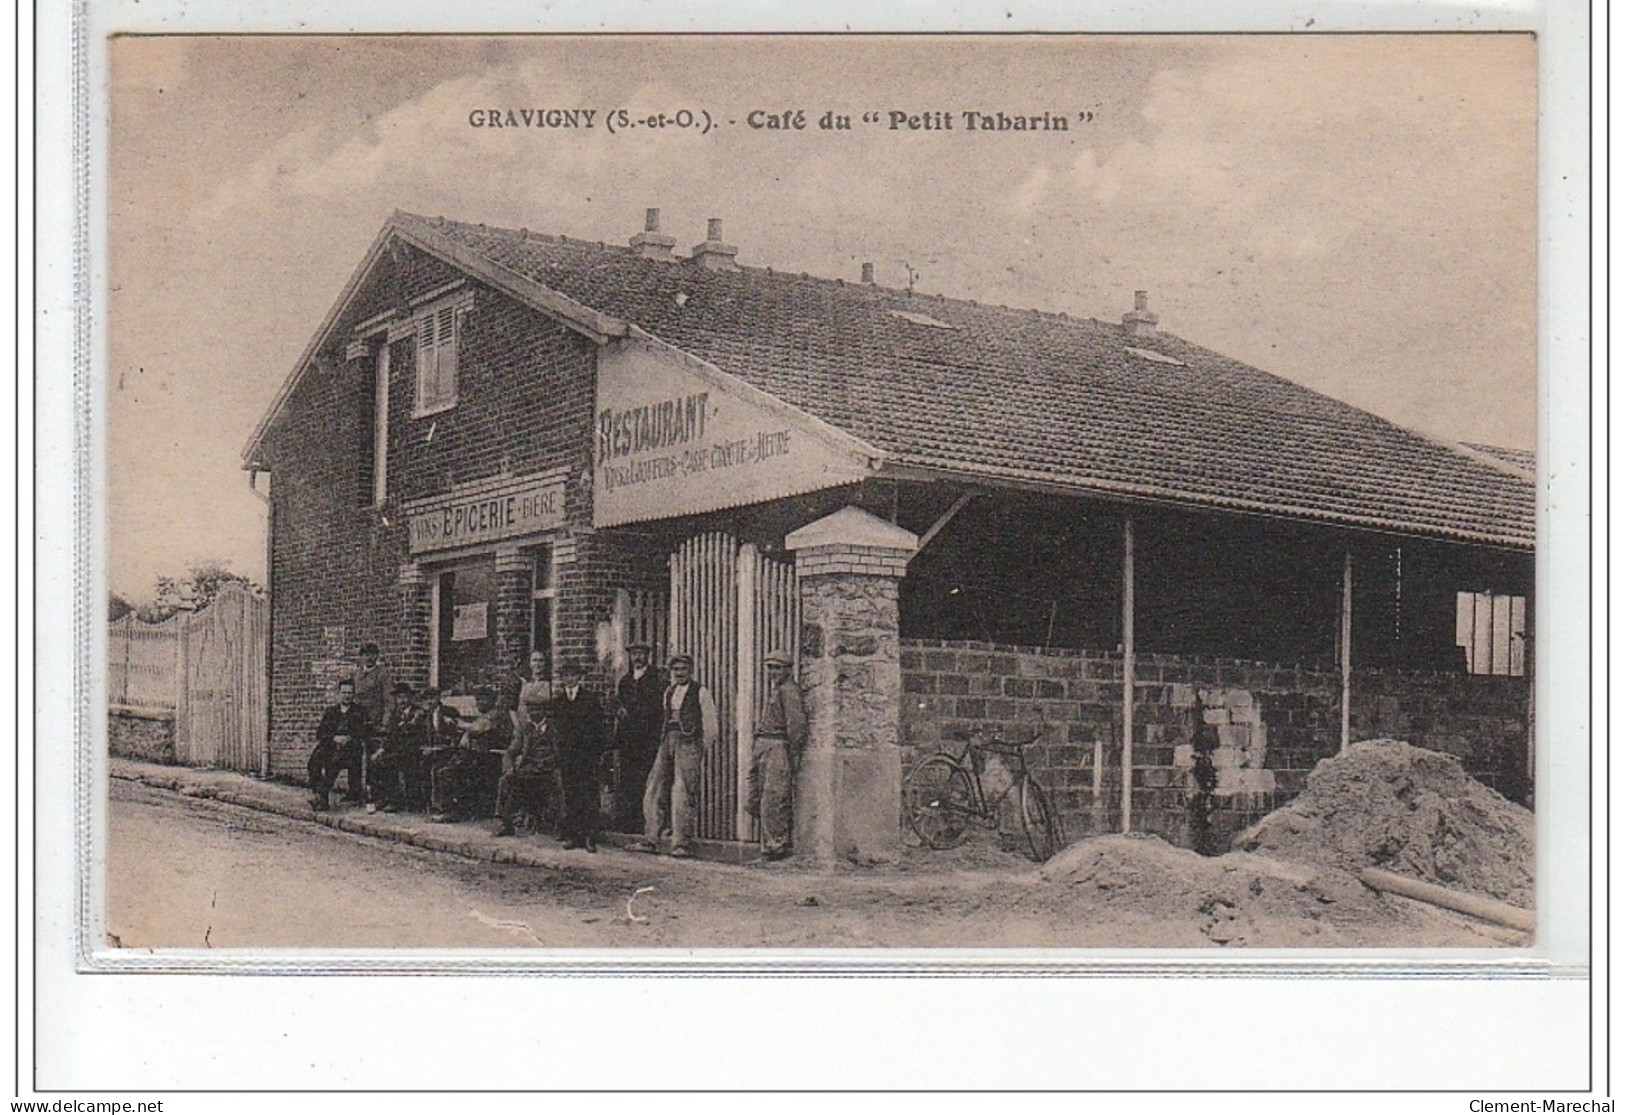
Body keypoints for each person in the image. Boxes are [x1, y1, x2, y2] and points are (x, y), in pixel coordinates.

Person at [628, 654, 717, 859]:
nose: (679, 673)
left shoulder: (700, 692)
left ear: (691, 670)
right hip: (668, 739)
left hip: (688, 743)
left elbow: (711, 726)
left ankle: (681, 843)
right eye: (676, 669)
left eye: (683, 669)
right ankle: (651, 838)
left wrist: (699, 748)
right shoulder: (669, 692)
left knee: (682, 790)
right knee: (654, 786)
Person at [747, 650, 807, 861]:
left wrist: (793, 752)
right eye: (770, 667)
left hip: (778, 746)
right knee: (757, 797)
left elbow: (796, 725)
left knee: (774, 797)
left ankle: (776, 847)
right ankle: (770, 844)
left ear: (788, 670)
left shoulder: (789, 691)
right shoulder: (778, 690)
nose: (773, 672)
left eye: (778, 667)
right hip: (764, 744)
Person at [548, 660, 608, 851]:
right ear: (562, 678)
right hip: (568, 756)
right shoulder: (557, 702)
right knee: (571, 795)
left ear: (579, 678)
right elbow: (556, 730)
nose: (570, 679)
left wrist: (596, 752)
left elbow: (599, 728)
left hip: (587, 755)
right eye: (566, 675)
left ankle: (590, 836)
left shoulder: (590, 699)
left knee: (589, 795)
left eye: (573, 675)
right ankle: (575, 836)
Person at [427, 686, 510, 822]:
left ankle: (452, 811)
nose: (479, 703)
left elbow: (477, 729)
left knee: (448, 771)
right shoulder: (485, 715)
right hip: (477, 755)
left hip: (489, 758)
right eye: (477, 700)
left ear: (492, 701)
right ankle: (441, 807)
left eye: (483, 700)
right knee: (441, 767)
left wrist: (458, 723)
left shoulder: (495, 715)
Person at [493, 680, 557, 837]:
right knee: (506, 781)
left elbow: (562, 751)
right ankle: (506, 823)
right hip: (529, 768)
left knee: (560, 783)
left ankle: (560, 826)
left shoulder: (555, 728)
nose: (533, 713)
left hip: (551, 769)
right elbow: (511, 752)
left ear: (545, 711)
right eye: (530, 710)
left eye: (537, 709)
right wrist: (509, 767)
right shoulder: (524, 729)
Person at [612, 642, 664, 832]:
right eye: (634, 654)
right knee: (629, 780)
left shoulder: (656, 679)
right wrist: (619, 710)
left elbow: (658, 708)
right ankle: (631, 823)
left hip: (648, 739)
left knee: (648, 780)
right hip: (629, 740)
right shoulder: (625, 681)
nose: (637, 658)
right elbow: (619, 703)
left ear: (648, 656)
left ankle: (649, 824)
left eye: (641, 654)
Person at [308, 678, 369, 811]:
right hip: (331, 745)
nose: (347, 696)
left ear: (353, 694)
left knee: (333, 763)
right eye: (344, 692)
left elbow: (364, 731)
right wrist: (334, 738)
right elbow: (320, 733)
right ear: (339, 694)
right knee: (314, 761)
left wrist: (349, 737)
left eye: (350, 693)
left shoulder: (359, 711)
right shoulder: (331, 711)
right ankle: (318, 793)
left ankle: (321, 798)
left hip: (351, 748)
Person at [368, 682, 423, 812]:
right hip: (399, 751)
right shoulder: (396, 714)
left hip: (413, 750)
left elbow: (417, 736)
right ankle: (382, 797)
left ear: (410, 698)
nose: (401, 701)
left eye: (404, 697)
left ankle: (396, 801)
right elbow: (391, 735)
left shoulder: (418, 713)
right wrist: (381, 750)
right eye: (399, 698)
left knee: (389, 762)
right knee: (376, 761)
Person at [351, 642, 395, 736]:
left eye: (373, 654)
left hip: (374, 721)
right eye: (366, 654)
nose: (369, 658)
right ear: (361, 657)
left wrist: (385, 723)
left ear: (377, 656)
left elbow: (389, 700)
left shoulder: (383, 675)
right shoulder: (356, 674)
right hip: (357, 720)